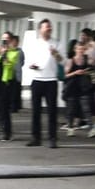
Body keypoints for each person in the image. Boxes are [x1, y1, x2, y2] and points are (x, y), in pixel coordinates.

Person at [23, 19, 64, 147]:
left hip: (51, 80)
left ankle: (53, 138)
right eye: (46, 27)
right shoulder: (34, 44)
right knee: (36, 111)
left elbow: (62, 61)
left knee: (52, 111)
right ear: (40, 29)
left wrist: (55, 53)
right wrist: (32, 65)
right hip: (37, 80)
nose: (49, 29)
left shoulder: (57, 43)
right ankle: (36, 138)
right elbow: (29, 61)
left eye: (50, 27)